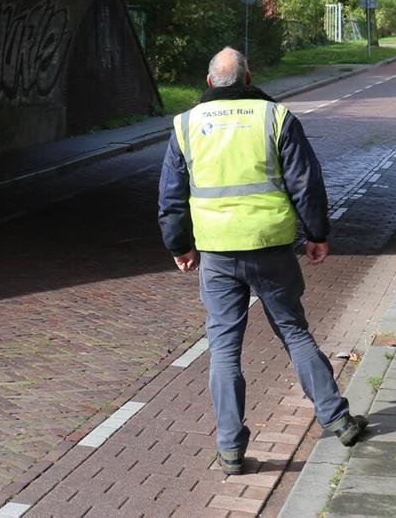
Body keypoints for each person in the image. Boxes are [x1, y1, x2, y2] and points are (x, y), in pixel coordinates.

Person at [157, 47, 367, 475]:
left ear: (209, 80)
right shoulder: (275, 118)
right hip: (270, 246)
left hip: (216, 251)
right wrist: (317, 233)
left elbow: (171, 197)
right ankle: (337, 419)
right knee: (293, 331)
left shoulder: (185, 125)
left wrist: (180, 245)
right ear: (249, 77)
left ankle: (231, 450)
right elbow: (306, 181)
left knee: (223, 349)